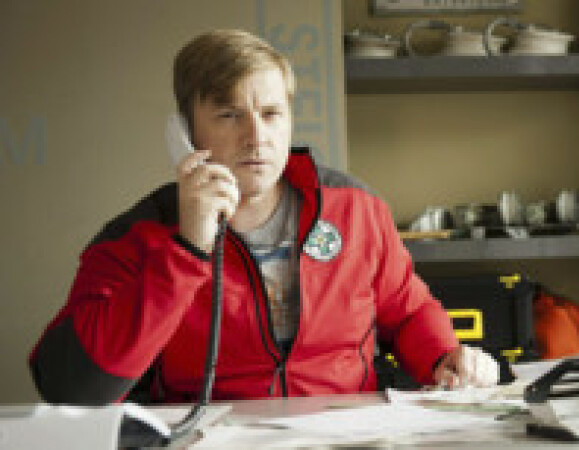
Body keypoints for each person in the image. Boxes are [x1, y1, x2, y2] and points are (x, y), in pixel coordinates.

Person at [29, 29, 498, 404]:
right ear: (185, 133)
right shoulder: (134, 237)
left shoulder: (355, 207)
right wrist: (187, 250)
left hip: (345, 433)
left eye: (271, 114)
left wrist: (443, 357)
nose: (257, 137)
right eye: (230, 115)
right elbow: (70, 388)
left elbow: (408, 310)